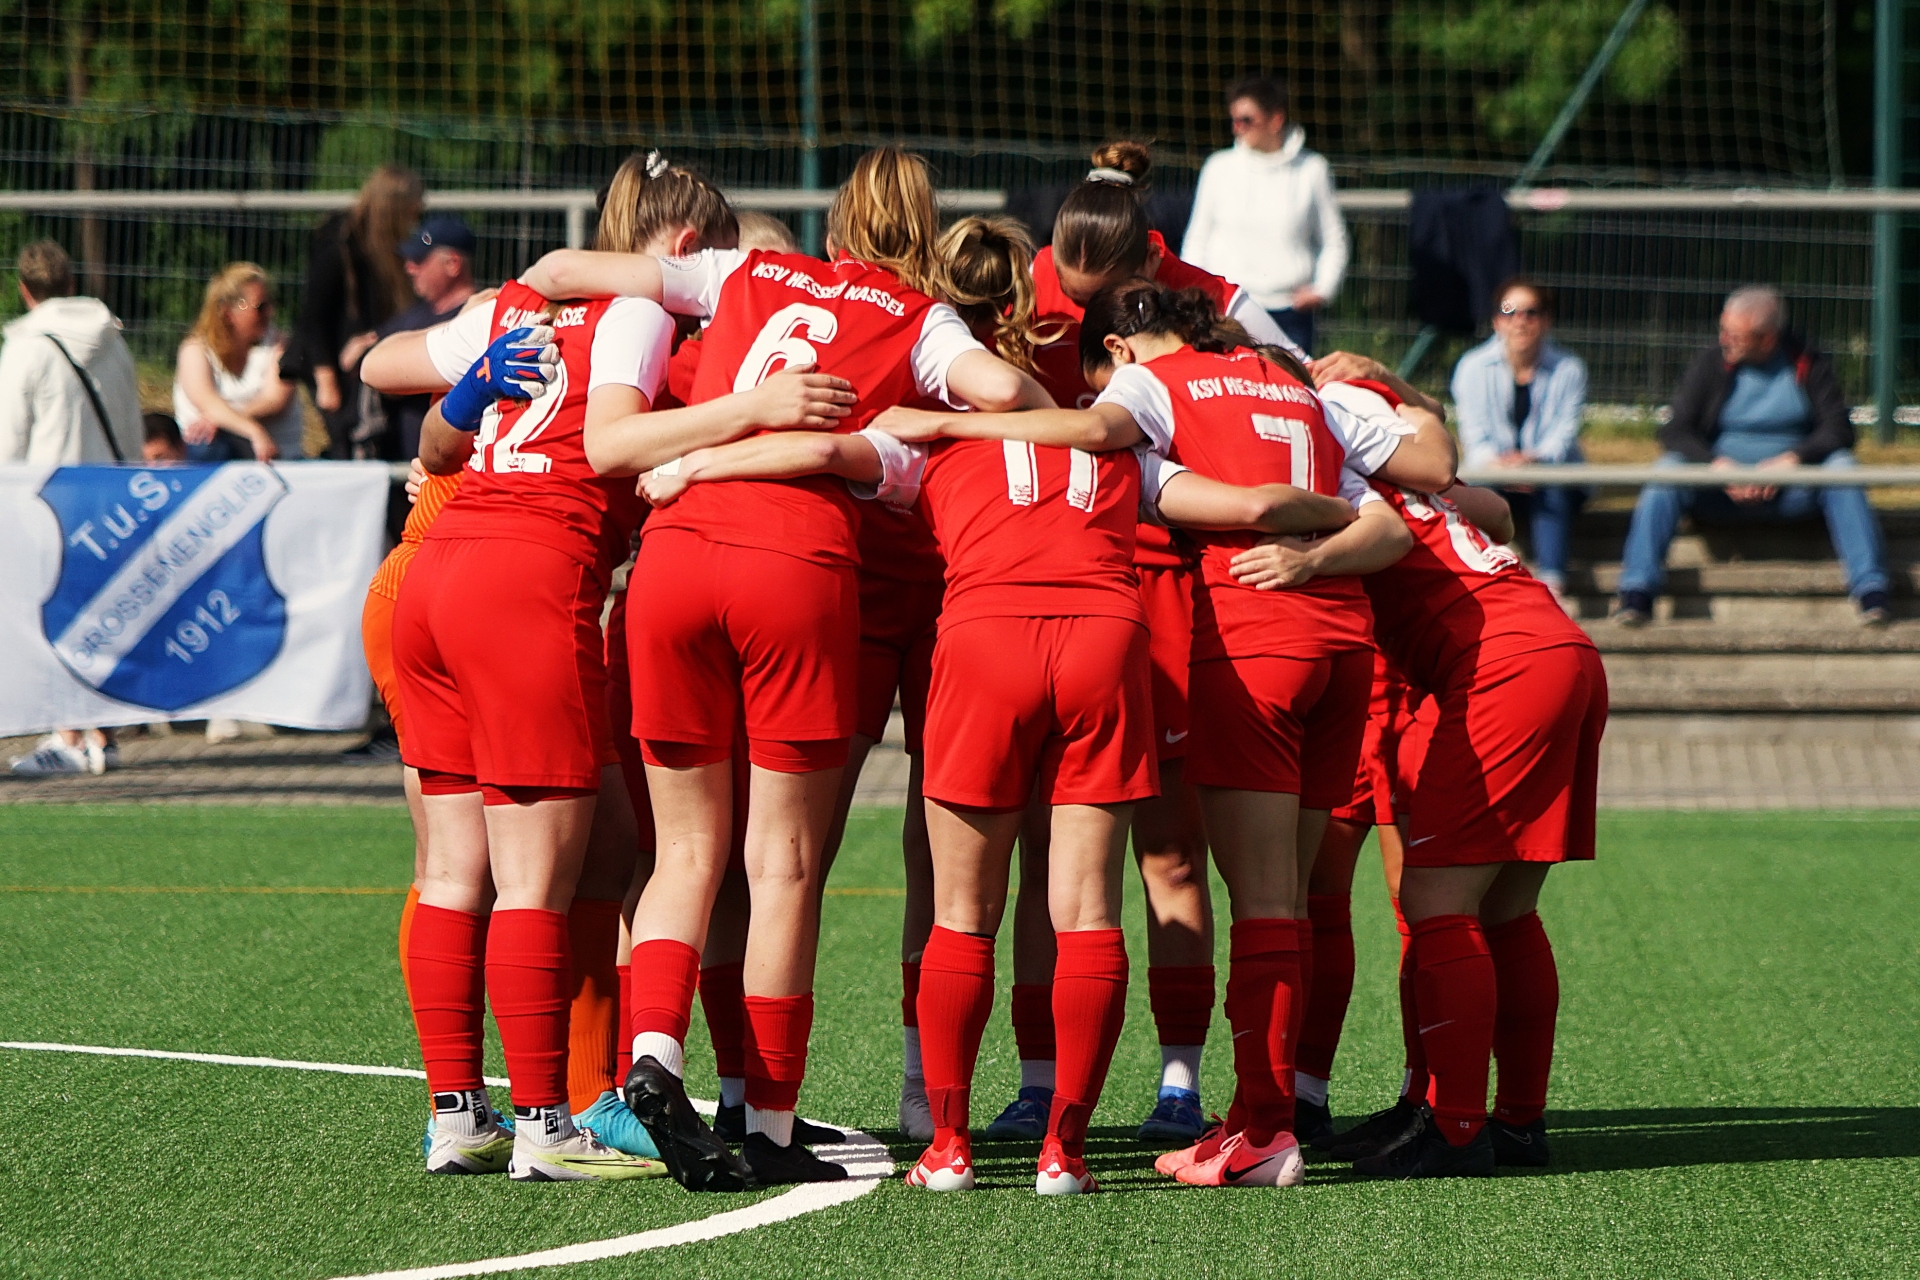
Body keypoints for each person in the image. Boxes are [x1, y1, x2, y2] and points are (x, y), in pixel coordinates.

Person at [519, 146, 1052, 1192]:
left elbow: (560, 272)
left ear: (837, 222)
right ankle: (766, 1121)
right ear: (925, 233)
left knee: (685, 850)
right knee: (785, 865)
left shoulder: (748, 270)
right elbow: (1015, 394)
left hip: (674, 559)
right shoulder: (923, 322)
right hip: (796, 569)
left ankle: (653, 1052)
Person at [359, 151, 770, 1183]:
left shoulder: (516, 303)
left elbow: (384, 377)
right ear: (685, 249)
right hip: (525, 582)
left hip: (434, 576)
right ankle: (547, 1119)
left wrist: (469, 391)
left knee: (454, 871)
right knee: (535, 879)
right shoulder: (652, 319)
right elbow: (623, 439)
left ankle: (459, 1114)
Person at [978, 140, 1306, 1147]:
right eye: (1066, 297)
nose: (1075, 317)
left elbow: (1295, 378)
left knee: (1170, 849)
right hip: (1040, 582)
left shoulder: (1212, 302)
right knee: (1048, 858)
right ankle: (1039, 1081)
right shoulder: (1017, 281)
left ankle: (1180, 1079)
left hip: (1164, 587)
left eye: (1099, 305)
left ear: (1148, 275)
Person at [1307, 377, 1605, 1178]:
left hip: (1503, 668)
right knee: (1506, 910)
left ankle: (1460, 1128)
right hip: (1560, 649)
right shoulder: (1408, 482)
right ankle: (1516, 1122)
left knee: (1437, 904)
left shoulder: (1343, 486)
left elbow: (1391, 536)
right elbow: (1493, 511)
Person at [1616, 285, 1891, 626]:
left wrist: (1791, 461)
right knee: (1666, 471)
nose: (1724, 340)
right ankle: (1637, 591)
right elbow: (1675, 430)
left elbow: (1839, 429)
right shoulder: (1710, 362)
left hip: (1791, 491)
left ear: (1767, 339)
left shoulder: (1807, 361)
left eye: (1735, 335)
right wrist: (1718, 467)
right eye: (1723, 330)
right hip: (1719, 490)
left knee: (1844, 469)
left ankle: (1871, 590)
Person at [1181, 74, 1348, 356]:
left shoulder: (1312, 169)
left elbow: (1334, 238)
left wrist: (1324, 288)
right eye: (1234, 119)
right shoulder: (1218, 168)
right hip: (1226, 309)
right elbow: (1197, 239)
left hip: (1289, 313)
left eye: (1246, 120)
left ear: (1276, 120)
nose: (1237, 128)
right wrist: (1195, 294)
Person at [1450, 276, 1589, 598]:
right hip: (1493, 474)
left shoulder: (1570, 369)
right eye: (1509, 311)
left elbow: (1563, 436)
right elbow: (1475, 438)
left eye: (1531, 312)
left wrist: (1532, 463)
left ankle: (1553, 586)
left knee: (1552, 486)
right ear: (1496, 321)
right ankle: (1486, 582)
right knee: (1476, 491)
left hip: (1548, 475)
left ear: (1546, 320)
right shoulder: (1471, 368)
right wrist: (1504, 467)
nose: (1520, 321)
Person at [295, 165, 423, 457]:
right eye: (412, 212)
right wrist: (326, 379)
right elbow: (313, 317)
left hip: (363, 357)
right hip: (334, 362)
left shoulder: (389, 248)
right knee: (345, 440)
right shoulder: (340, 244)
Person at [0, 240, 142, 464]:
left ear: (24, 290)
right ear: (71, 284)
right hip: (110, 479)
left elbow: (9, 440)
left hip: (50, 481)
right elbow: (133, 430)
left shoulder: (23, 349)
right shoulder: (114, 341)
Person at [364, 214, 479, 462]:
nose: (410, 268)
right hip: (406, 459)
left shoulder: (480, 317)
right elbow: (360, 353)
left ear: (453, 264)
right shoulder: (413, 315)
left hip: (455, 463)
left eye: (419, 260)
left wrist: (402, 373)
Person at [172, 263, 303, 464]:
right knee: (207, 448)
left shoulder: (280, 346)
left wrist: (221, 419)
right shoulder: (194, 350)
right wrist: (254, 430)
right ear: (228, 312)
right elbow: (208, 403)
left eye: (271, 304)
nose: (270, 313)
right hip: (212, 452)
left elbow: (275, 401)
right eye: (260, 307)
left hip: (277, 455)